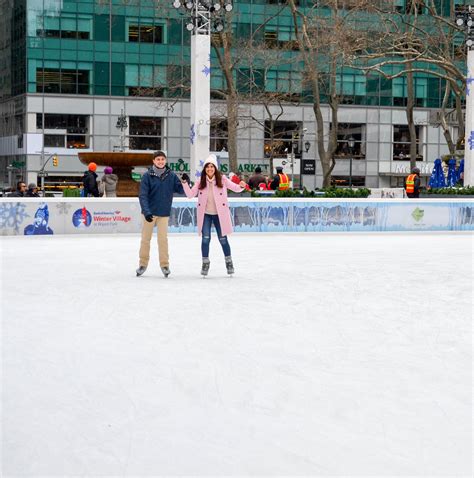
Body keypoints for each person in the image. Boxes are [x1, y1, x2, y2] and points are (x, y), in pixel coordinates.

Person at [181, 154, 247, 276]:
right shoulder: (200, 181)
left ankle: (229, 261)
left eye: (212, 166)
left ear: (215, 168)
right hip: (206, 214)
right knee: (205, 239)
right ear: (205, 169)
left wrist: (241, 186)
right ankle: (205, 262)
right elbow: (190, 194)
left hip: (219, 215)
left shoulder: (222, 179)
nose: (210, 169)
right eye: (207, 167)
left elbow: (235, 188)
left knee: (223, 239)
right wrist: (185, 182)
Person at [137, 150, 185, 278]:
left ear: (165, 161)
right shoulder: (147, 176)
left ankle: (164, 265)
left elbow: (180, 190)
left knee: (163, 240)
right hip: (149, 213)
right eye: (158, 159)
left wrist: (185, 182)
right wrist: (146, 212)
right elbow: (143, 195)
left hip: (163, 213)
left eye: (162, 159)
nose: (160, 161)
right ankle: (143, 264)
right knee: (145, 240)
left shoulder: (171, 175)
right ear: (153, 161)